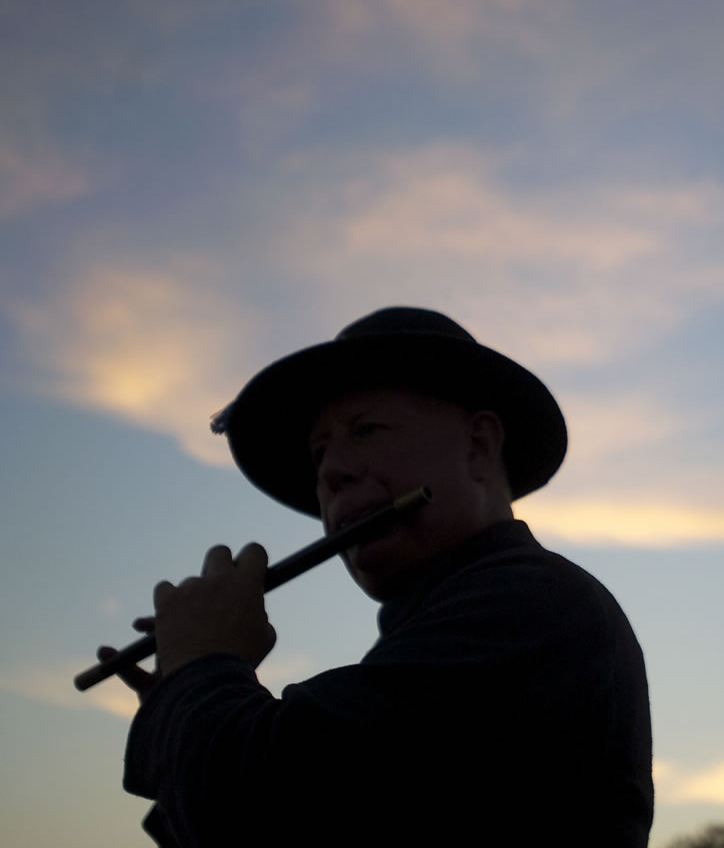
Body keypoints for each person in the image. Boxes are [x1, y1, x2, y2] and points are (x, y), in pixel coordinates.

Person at [98, 306, 653, 847]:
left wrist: (203, 669)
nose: (333, 472)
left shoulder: (533, 605)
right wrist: (184, 704)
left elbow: (257, 810)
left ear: (479, 446)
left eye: (366, 430)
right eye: (319, 455)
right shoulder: (450, 622)